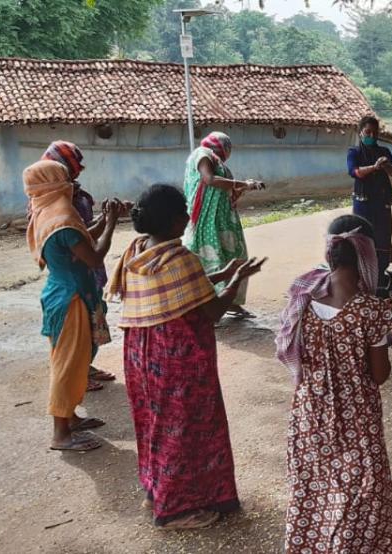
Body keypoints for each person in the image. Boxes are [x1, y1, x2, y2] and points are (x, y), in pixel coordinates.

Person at [108, 184, 265, 530]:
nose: (187, 217)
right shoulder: (181, 260)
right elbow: (212, 312)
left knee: (154, 423)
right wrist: (234, 282)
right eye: (183, 212)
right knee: (184, 428)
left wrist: (220, 275)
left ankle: (156, 491)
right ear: (174, 220)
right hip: (176, 358)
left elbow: (180, 287)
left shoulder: (136, 251)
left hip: (141, 353)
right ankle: (176, 510)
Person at [276, 214, 392, 553]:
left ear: (330, 252)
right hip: (358, 420)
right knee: (361, 494)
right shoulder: (373, 310)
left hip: (310, 414)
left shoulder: (302, 298)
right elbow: (379, 375)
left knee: (313, 490)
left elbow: (292, 350)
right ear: (369, 256)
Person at [24, 160, 120, 451]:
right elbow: (93, 256)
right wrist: (113, 223)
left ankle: (71, 418)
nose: (72, 183)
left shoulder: (45, 211)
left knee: (74, 361)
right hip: (71, 300)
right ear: (54, 182)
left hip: (61, 293)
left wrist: (103, 218)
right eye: (65, 177)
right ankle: (60, 434)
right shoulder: (63, 216)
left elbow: (80, 237)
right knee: (68, 365)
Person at [40, 140, 119, 389]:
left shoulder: (64, 203)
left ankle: (82, 370)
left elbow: (83, 233)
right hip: (73, 286)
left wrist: (106, 218)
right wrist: (111, 223)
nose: (73, 176)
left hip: (79, 279)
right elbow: (91, 251)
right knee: (76, 338)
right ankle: (76, 381)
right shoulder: (59, 213)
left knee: (89, 326)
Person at [182, 131, 264, 319]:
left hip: (224, 220)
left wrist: (249, 185)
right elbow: (209, 179)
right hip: (205, 220)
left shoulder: (219, 164)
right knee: (209, 259)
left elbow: (228, 191)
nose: (228, 151)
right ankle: (206, 307)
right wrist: (241, 183)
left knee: (235, 257)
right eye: (227, 147)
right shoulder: (202, 154)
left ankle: (231, 302)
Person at [348, 116, 392, 297]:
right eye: (368, 132)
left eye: (374, 132)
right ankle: (362, 278)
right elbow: (355, 172)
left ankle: (379, 276)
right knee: (362, 238)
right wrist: (374, 167)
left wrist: (386, 166)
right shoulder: (354, 152)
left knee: (383, 238)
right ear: (360, 132)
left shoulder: (384, 151)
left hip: (382, 202)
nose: (371, 135)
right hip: (363, 204)